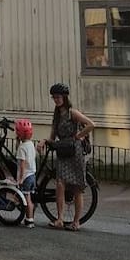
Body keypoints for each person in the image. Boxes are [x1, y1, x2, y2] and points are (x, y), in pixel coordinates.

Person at [46, 82, 94, 231]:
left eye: (58, 97)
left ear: (64, 97)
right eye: (54, 97)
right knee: (60, 184)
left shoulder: (72, 112)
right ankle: (59, 219)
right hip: (63, 151)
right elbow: (52, 136)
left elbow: (91, 124)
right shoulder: (56, 115)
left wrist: (78, 136)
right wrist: (45, 142)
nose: (56, 100)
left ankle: (76, 222)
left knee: (76, 187)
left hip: (75, 152)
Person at [14, 118, 37, 227]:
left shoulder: (22, 148)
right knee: (29, 198)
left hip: (26, 177)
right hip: (32, 175)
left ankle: (30, 220)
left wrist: (21, 178)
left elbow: (22, 165)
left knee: (27, 199)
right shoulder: (30, 144)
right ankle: (29, 217)